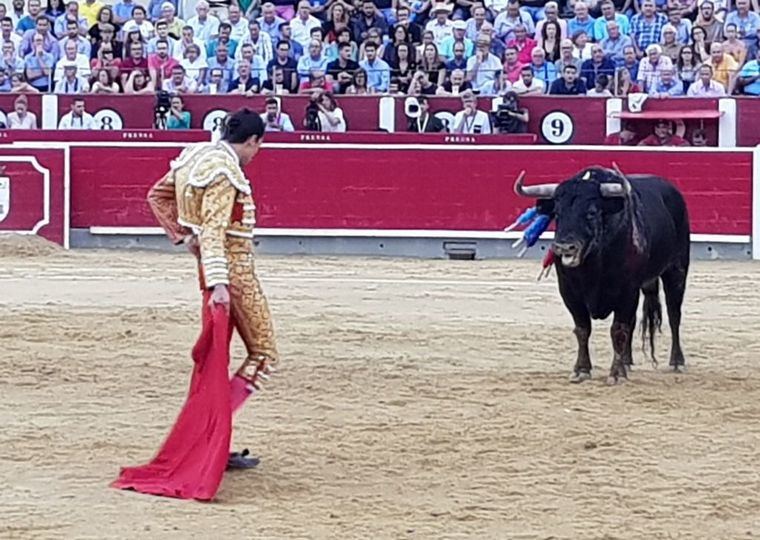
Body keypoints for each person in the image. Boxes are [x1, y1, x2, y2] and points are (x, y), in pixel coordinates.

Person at [113, 109, 279, 500]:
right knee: (265, 354)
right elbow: (217, 231)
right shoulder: (225, 171)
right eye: (259, 146)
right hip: (233, 273)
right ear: (252, 140)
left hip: (215, 269)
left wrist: (184, 237)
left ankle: (212, 437)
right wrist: (220, 280)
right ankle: (211, 439)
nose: (257, 153)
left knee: (227, 357)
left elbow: (158, 196)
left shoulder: (195, 155)